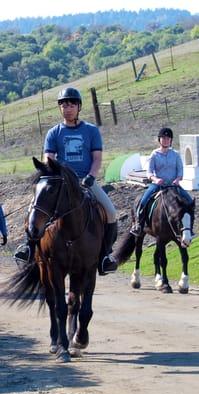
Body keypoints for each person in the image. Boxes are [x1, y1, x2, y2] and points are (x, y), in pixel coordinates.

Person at [15, 87, 117, 274]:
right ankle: (28, 247)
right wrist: (52, 173)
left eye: (71, 104)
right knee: (35, 209)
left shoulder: (91, 131)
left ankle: (105, 256)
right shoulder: (54, 133)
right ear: (60, 108)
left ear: (78, 107)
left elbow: (97, 158)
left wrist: (91, 177)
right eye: (64, 105)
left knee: (110, 212)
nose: (67, 108)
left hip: (85, 180)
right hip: (60, 183)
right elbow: (49, 158)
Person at [130, 127, 195, 236]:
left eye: (168, 138)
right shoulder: (154, 154)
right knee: (143, 201)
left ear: (171, 140)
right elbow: (149, 173)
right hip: (158, 185)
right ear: (159, 140)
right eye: (163, 138)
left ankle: (189, 229)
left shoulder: (175, 154)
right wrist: (156, 179)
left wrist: (178, 179)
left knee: (189, 201)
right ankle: (138, 225)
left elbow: (180, 171)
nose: (166, 140)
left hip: (173, 186)